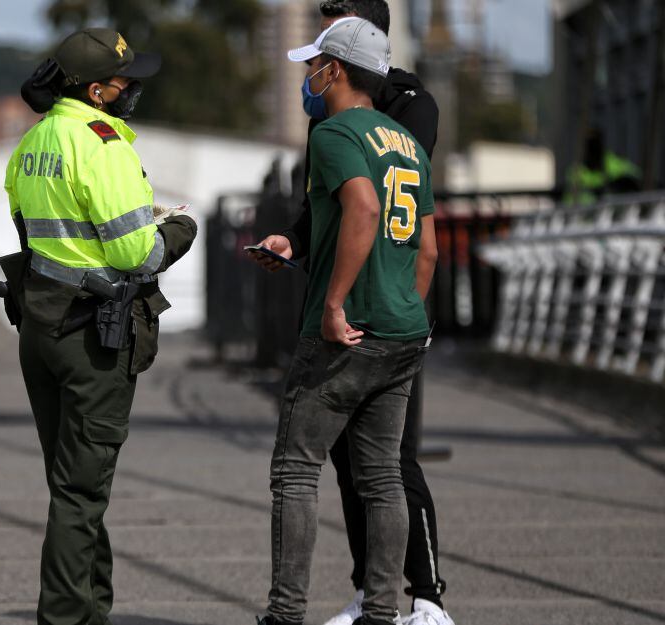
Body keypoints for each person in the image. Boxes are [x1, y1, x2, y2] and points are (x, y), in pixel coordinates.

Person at [248, 2, 453, 623]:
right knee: (384, 476)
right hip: (401, 332)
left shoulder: (336, 135)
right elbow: (430, 247)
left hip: (346, 331)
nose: (308, 72)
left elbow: (362, 209)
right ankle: (384, 612)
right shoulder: (408, 144)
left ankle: (285, 615)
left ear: (335, 71)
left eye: (314, 64)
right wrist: (404, 316)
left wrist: (334, 304)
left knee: (296, 470)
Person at [2, 28, 197, 625]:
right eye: (125, 80)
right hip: (94, 337)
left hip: (41, 326)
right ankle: (64, 616)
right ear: (97, 90)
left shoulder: (32, 142)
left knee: (73, 488)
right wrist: (178, 232)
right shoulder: (102, 142)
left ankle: (92, 609)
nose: (132, 87)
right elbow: (136, 254)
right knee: (81, 492)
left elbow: (28, 226)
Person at [564, 127, 641, 205]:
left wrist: (618, 184)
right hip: (586, 214)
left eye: (595, 143)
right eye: (590, 144)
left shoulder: (612, 162)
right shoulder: (576, 172)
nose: (593, 149)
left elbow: (635, 177)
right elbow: (570, 201)